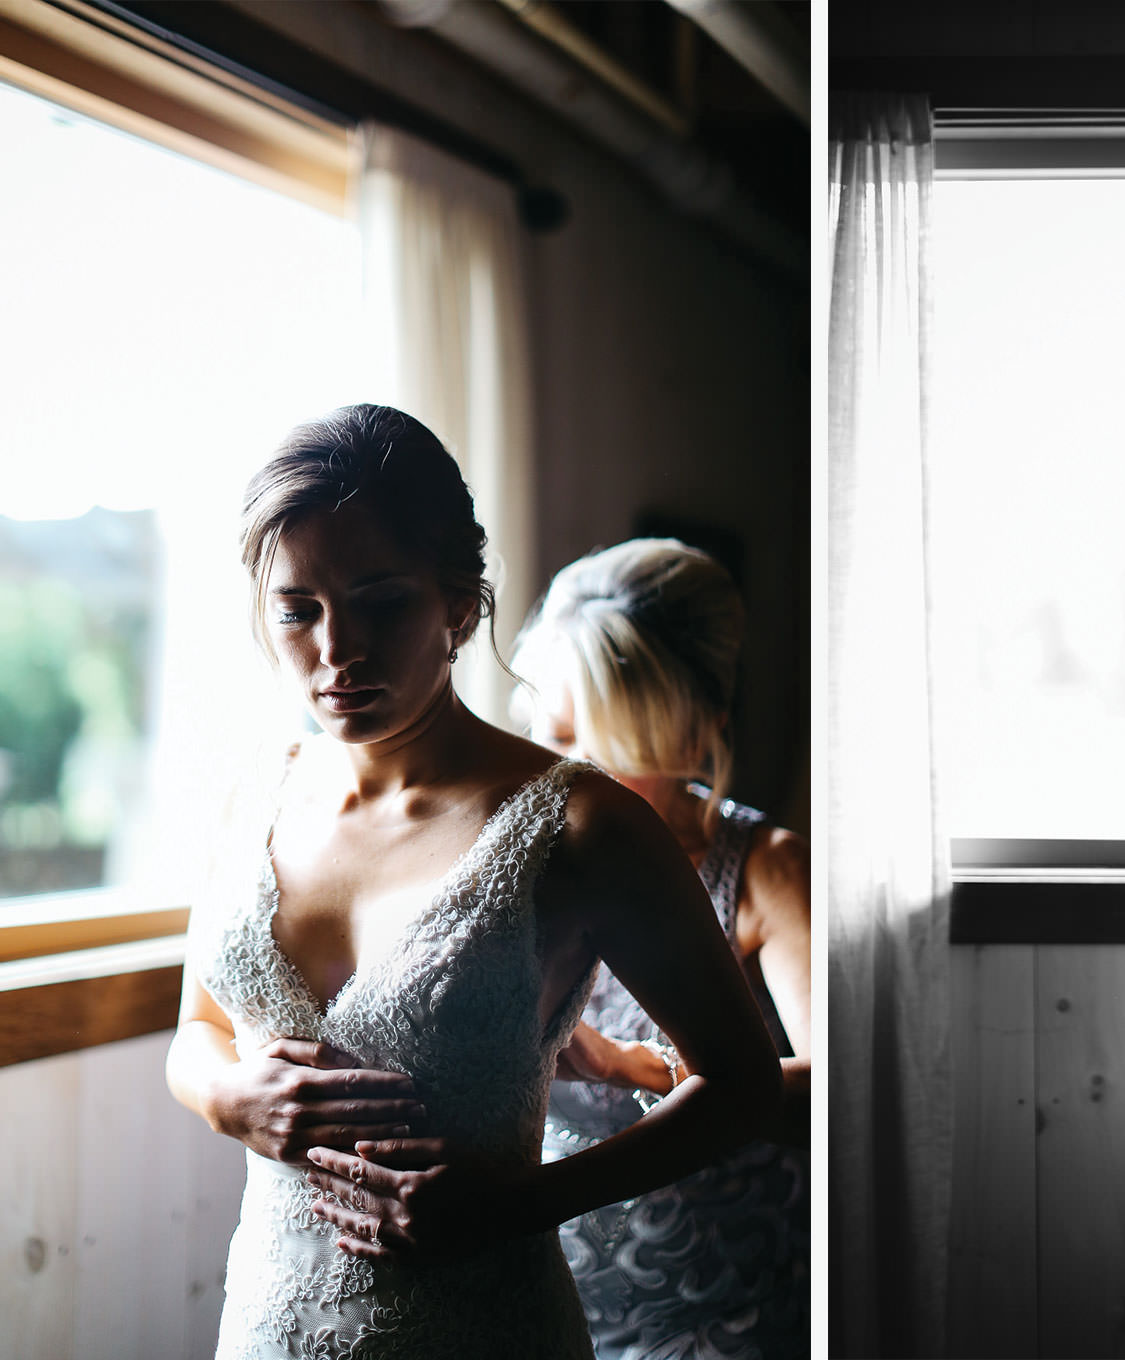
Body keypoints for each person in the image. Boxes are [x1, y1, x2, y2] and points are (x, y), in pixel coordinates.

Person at [164, 406, 782, 1359]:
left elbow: (739, 1084)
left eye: (380, 601)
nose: (336, 651)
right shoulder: (258, 791)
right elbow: (197, 1033)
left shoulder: (584, 827)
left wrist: (522, 1204)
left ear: (459, 602)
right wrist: (228, 1100)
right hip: (267, 1319)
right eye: (298, 610)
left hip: (481, 1324)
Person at [509, 537, 811, 1359]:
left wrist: (630, 1065)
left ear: (692, 730)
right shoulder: (520, 854)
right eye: (549, 737)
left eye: (601, 755)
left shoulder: (762, 870)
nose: (564, 780)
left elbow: (835, 1093)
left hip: (710, 1311)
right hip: (534, 1292)